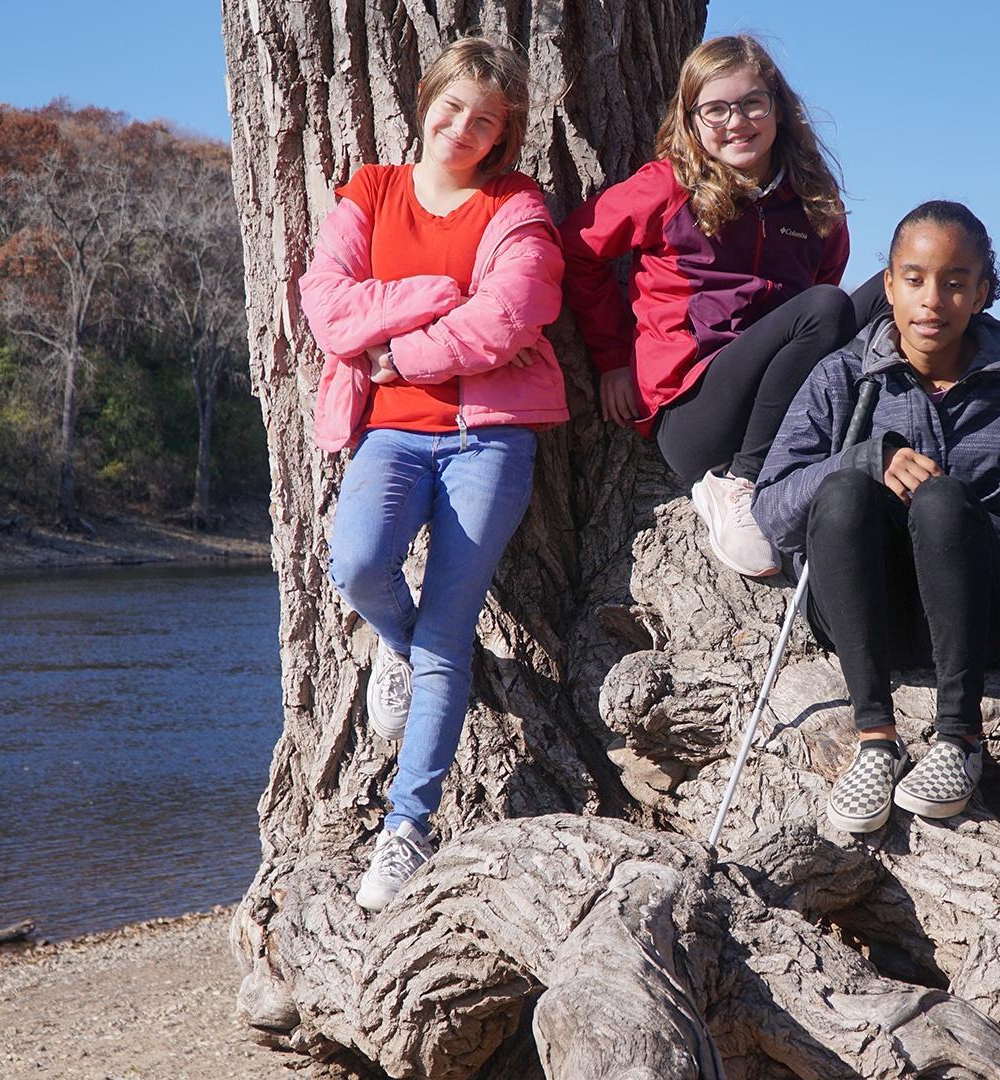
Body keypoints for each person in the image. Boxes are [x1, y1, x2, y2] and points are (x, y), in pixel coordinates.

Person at [297, 37, 567, 913]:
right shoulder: (371, 191)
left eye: (484, 121)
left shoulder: (516, 204)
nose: (462, 128)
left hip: (490, 440)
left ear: (503, 135)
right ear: (427, 101)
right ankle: (397, 645)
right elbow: (326, 304)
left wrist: (398, 350)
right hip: (391, 434)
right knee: (356, 565)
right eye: (452, 107)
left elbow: (515, 313)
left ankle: (406, 829)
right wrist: (438, 295)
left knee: (451, 629)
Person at [753, 200, 1000, 833]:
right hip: (864, 616)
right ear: (889, 285)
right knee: (844, 491)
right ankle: (876, 739)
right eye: (915, 279)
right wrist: (866, 459)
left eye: (955, 283)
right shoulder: (843, 375)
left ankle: (960, 737)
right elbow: (773, 510)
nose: (933, 300)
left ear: (982, 293)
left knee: (942, 500)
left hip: (984, 617)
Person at [561, 33, 853, 579]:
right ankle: (740, 483)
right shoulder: (668, 187)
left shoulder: (813, 203)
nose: (736, 122)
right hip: (693, 411)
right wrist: (613, 358)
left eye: (752, 103)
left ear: (778, 108)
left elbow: (825, 291)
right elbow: (576, 248)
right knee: (826, 307)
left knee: (897, 289)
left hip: (781, 401)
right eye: (715, 109)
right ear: (692, 121)